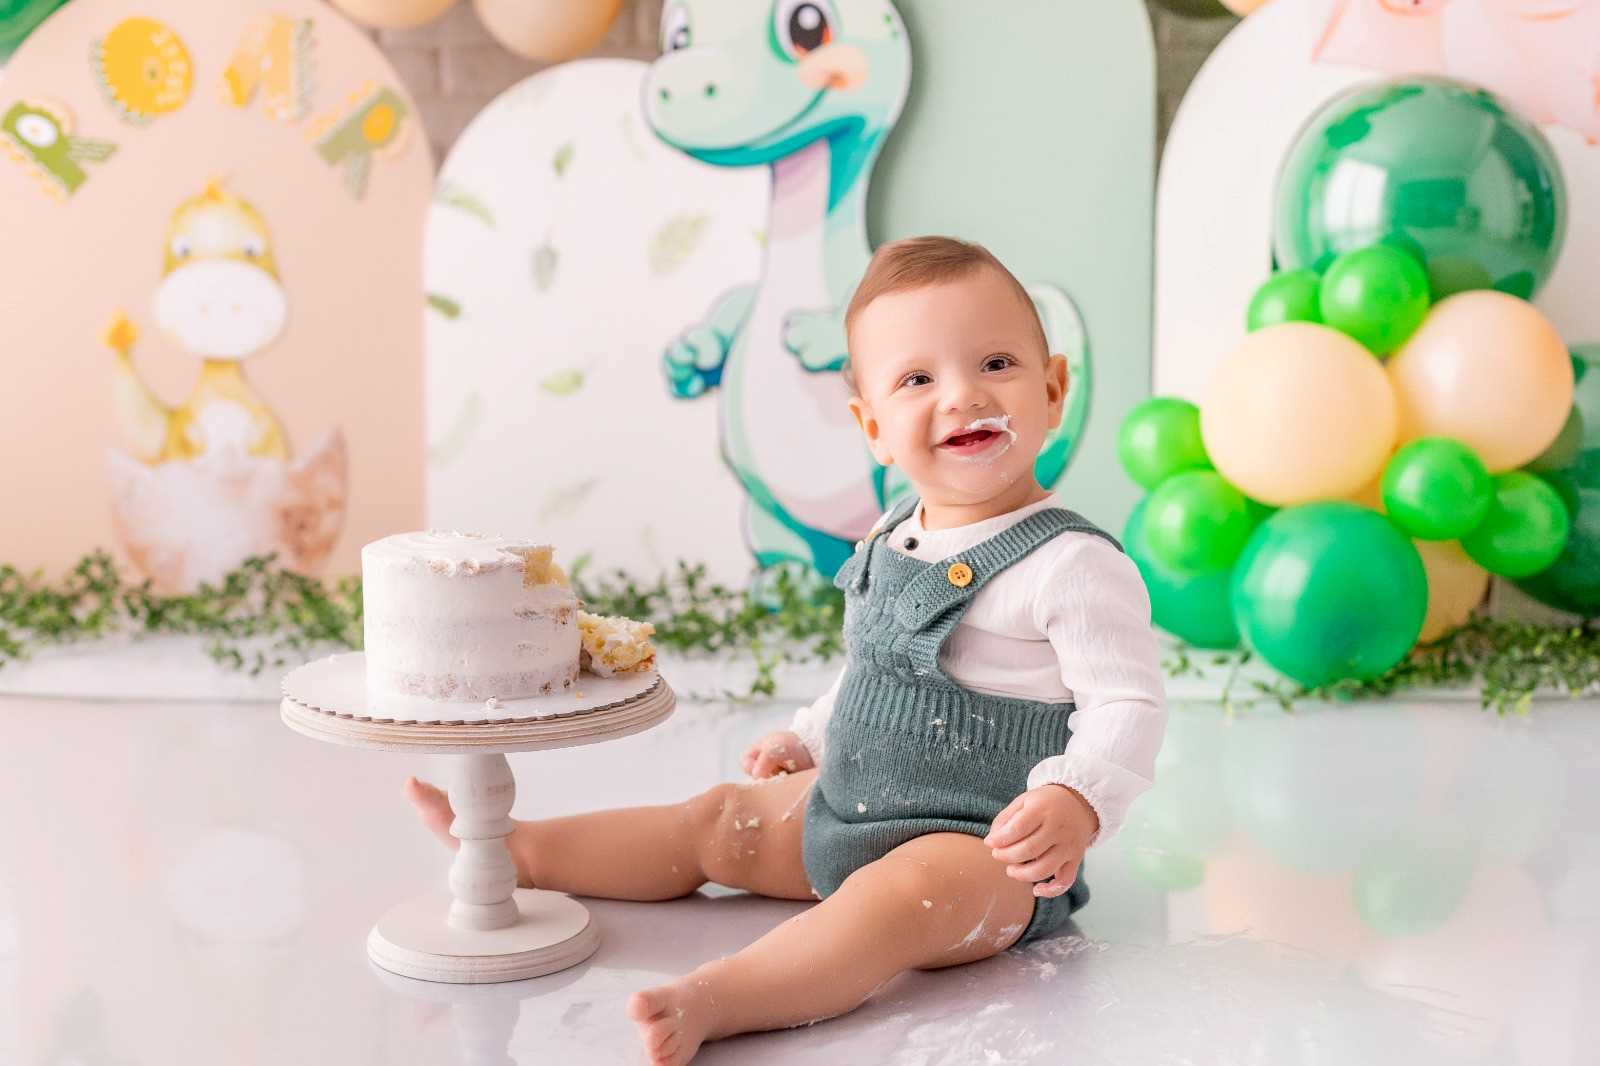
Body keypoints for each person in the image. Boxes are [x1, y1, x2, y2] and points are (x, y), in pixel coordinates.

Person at [406, 235, 1167, 1065]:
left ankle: (719, 997)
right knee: (717, 819)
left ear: (1052, 390)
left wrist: (1079, 799)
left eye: (995, 363)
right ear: (873, 427)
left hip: (983, 855)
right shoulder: (892, 535)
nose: (962, 397)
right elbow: (873, 670)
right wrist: (811, 736)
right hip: (851, 803)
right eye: (918, 379)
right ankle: (525, 850)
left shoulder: (1070, 564)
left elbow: (1125, 704)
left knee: (888, 905)